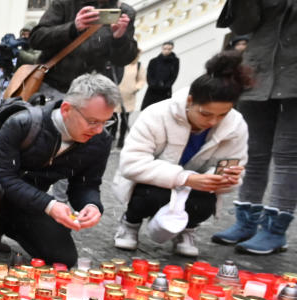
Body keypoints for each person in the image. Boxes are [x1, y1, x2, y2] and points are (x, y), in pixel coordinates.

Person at [0, 73, 120, 267]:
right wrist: (49, 205)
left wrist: (91, 205)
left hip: (27, 203)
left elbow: (86, 184)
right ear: (67, 109)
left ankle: (2, 226)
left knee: (64, 258)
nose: (99, 130)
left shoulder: (100, 141)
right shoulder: (23, 123)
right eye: (93, 121)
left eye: (106, 122)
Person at [113, 53, 251, 257]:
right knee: (147, 195)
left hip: (196, 190)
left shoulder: (236, 125)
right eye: (205, 114)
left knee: (204, 203)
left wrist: (224, 178)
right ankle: (130, 222)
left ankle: (188, 229)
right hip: (153, 186)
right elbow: (131, 164)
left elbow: (234, 168)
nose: (213, 121)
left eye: (222, 115)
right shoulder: (156, 114)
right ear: (189, 101)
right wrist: (187, 178)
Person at [210, 1, 297, 255]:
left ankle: (275, 230)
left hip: (293, 77)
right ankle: (246, 222)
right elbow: (243, 26)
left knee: (287, 155)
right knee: (253, 153)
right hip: (257, 73)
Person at [29, 0, 138, 98]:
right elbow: (36, 39)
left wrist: (119, 38)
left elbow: (122, 60)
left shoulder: (124, 12)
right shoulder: (66, 3)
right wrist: (73, 28)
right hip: (54, 88)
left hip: (95, 94)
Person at [116, 53, 145, 148]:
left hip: (128, 97)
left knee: (125, 119)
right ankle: (111, 137)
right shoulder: (118, 63)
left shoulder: (138, 65)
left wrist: (136, 88)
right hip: (115, 96)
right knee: (113, 118)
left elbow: (141, 80)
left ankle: (121, 140)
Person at [141, 42, 180, 110]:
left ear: (172, 49)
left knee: (163, 109)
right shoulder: (153, 61)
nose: (167, 51)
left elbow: (174, 75)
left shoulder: (175, 61)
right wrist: (152, 84)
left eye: (169, 49)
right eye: (165, 49)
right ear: (162, 49)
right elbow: (149, 75)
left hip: (165, 90)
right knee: (148, 108)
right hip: (153, 89)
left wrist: (166, 85)